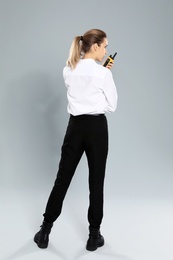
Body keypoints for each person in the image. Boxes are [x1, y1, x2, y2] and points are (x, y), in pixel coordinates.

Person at [34, 28, 118, 251]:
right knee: (96, 182)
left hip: (75, 128)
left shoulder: (68, 70)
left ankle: (44, 231)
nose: (107, 50)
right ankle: (94, 236)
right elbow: (111, 106)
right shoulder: (104, 73)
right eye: (105, 45)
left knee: (62, 179)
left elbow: (81, 85)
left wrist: (100, 74)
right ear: (95, 47)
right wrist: (104, 75)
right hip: (97, 128)